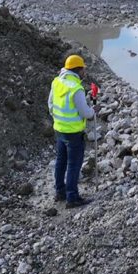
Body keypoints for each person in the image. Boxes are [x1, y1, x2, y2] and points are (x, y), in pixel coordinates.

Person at [50, 54, 96, 208]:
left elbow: (50, 105)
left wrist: (59, 120)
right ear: (78, 69)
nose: (84, 72)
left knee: (61, 161)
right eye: (83, 69)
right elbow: (85, 113)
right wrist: (93, 111)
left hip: (59, 130)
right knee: (73, 165)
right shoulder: (76, 88)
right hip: (74, 133)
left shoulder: (57, 82)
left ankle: (60, 192)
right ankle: (72, 198)